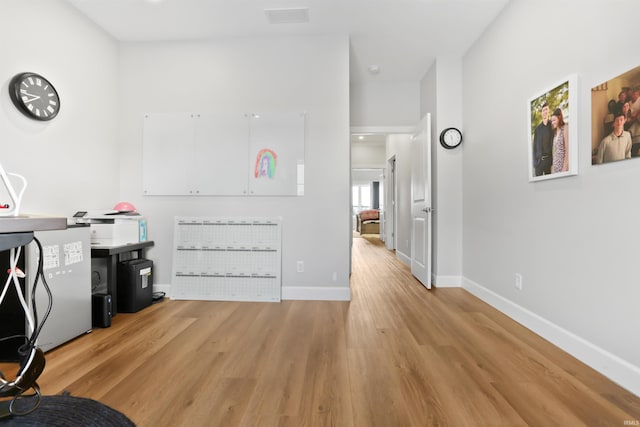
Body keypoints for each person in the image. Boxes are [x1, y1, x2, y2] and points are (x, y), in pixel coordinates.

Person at [532, 102, 553, 176]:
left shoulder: (552, 126)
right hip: (539, 162)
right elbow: (534, 147)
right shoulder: (537, 129)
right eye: (543, 110)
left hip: (549, 161)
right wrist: (535, 162)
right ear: (541, 112)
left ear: (548, 111)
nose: (545, 112)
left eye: (546, 109)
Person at [551, 108, 569, 173]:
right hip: (555, 168)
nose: (552, 123)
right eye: (552, 121)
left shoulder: (565, 128)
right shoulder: (555, 133)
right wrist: (552, 168)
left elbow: (567, 150)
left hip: (562, 168)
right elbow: (555, 152)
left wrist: (564, 169)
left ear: (559, 118)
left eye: (554, 120)